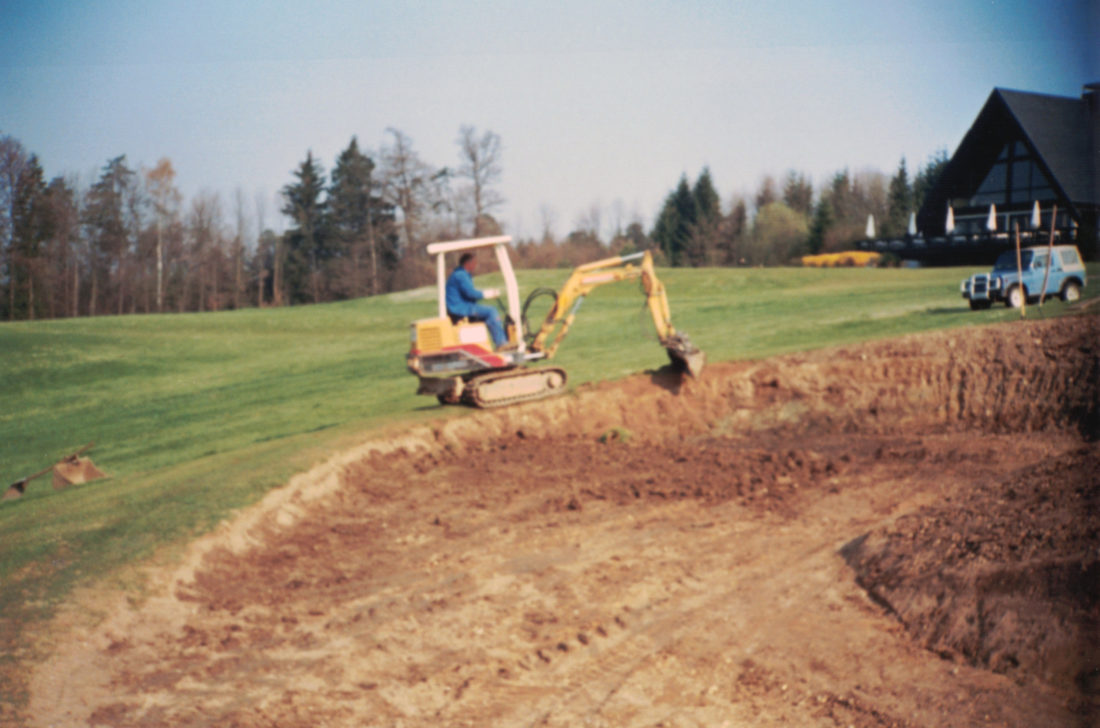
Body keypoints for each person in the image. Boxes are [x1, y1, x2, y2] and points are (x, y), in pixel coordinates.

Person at [445, 252, 509, 349]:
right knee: (491, 311)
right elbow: (470, 293)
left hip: (461, 307)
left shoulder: (459, 274)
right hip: (460, 309)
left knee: (488, 316)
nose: (475, 265)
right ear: (468, 263)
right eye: (474, 263)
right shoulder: (460, 275)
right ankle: (502, 344)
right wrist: (488, 294)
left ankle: (495, 344)